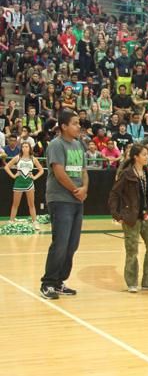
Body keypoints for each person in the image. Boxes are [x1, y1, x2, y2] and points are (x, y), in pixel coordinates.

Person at [40, 110, 88, 300]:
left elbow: (84, 171)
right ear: (64, 126)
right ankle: (48, 283)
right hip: (60, 200)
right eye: (75, 123)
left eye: (79, 123)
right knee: (60, 243)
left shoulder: (79, 145)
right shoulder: (56, 145)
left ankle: (60, 281)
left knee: (72, 244)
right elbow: (59, 173)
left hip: (77, 200)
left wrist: (84, 188)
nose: (79, 126)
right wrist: (76, 190)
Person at [108, 144, 148, 293]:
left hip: (147, 216)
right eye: (144, 154)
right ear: (136, 157)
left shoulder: (147, 173)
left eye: (147, 154)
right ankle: (132, 282)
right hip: (131, 217)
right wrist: (117, 215)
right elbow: (114, 194)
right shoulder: (126, 174)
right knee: (132, 250)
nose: (147, 157)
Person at [4, 142, 44, 229]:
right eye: (23, 147)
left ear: (30, 148)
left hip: (29, 183)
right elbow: (6, 167)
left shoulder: (33, 159)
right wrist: (13, 176)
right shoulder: (17, 158)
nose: (25, 148)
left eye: (27, 146)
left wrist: (34, 177)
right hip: (18, 183)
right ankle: (11, 221)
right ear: (21, 148)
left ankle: (34, 221)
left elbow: (41, 170)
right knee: (15, 204)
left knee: (31, 204)